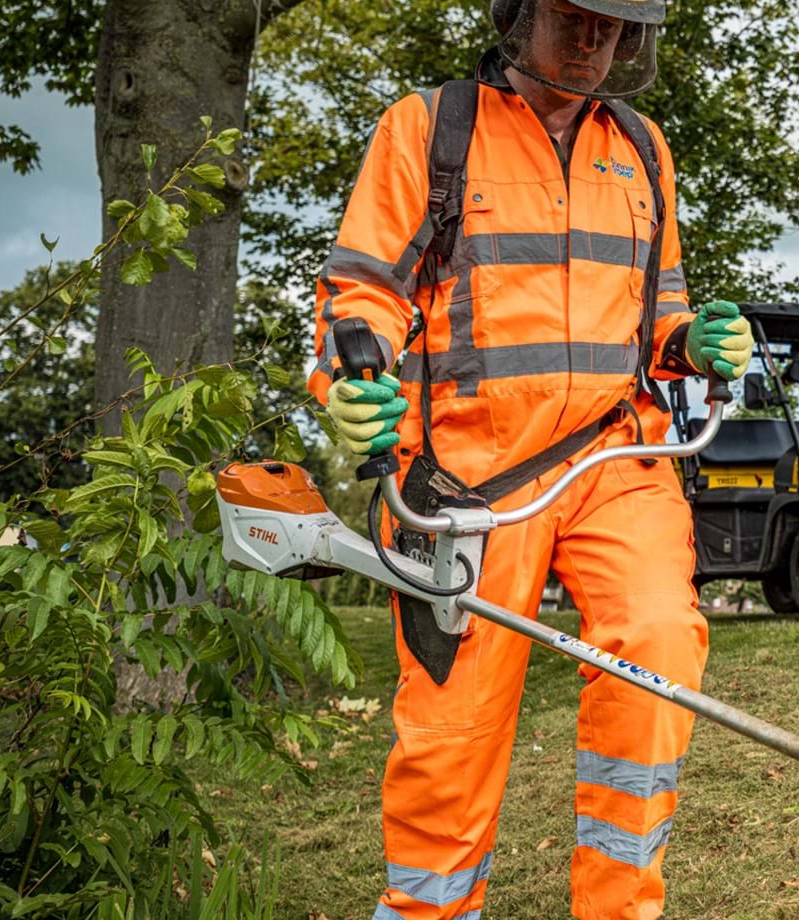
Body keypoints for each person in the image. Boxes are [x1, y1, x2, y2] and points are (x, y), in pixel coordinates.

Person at [306, 2, 752, 917]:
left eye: (614, 27)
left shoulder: (642, 149)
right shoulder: (431, 128)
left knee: (657, 646)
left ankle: (620, 906)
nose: (593, 41)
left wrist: (693, 345)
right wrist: (352, 380)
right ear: (521, 10)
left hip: (613, 456)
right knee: (454, 730)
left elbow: (659, 311)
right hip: (469, 473)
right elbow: (364, 292)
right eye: (573, 16)